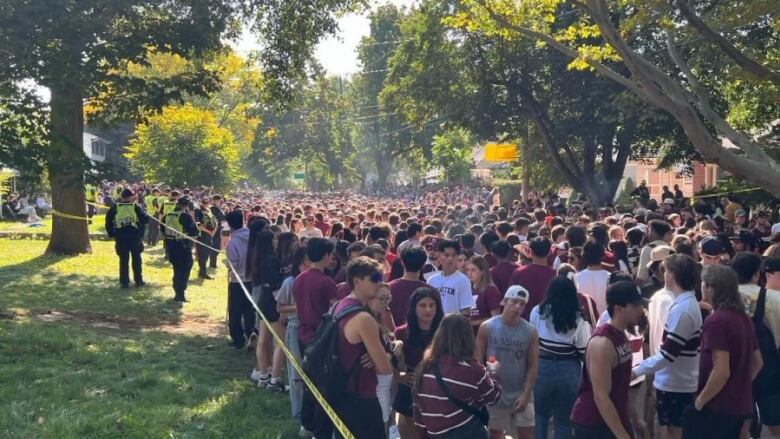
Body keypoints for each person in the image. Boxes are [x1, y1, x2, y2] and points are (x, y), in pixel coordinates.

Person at [683, 265, 763, 438]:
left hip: (716, 408)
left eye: (703, 283)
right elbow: (758, 362)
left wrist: (699, 401)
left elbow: (721, 370)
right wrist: (738, 384)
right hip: (739, 405)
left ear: (712, 288)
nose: (701, 286)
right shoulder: (743, 317)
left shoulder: (716, 321)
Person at [632, 254, 702, 439]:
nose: (664, 274)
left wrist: (637, 370)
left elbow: (668, 354)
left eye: (667, 270)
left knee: (673, 432)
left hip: (677, 384)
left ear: (673, 275)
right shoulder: (682, 304)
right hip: (676, 381)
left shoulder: (682, 309)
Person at [570, 281, 645, 439]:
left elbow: (622, 385)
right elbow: (601, 396)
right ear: (618, 308)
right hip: (594, 424)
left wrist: (636, 418)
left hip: (613, 420)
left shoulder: (621, 335)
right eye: (635, 306)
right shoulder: (602, 344)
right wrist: (622, 435)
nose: (640, 310)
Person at [332, 257, 394, 439]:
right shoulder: (364, 318)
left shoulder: (339, 305)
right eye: (374, 278)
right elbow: (384, 368)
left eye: (381, 277)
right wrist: (386, 356)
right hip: (362, 397)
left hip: (341, 392)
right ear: (357, 281)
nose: (379, 283)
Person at [413, 313, 502, 439]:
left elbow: (418, 408)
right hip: (468, 432)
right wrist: (494, 372)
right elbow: (493, 397)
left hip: (435, 433)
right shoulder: (472, 369)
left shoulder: (425, 367)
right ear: (468, 337)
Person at [530, 275, 592, 439]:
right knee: (564, 418)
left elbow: (533, 340)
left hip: (541, 366)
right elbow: (584, 351)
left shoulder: (537, 311)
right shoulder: (579, 319)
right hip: (569, 369)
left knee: (539, 414)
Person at [475, 285, 539, 439]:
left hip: (521, 391)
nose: (517, 307)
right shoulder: (488, 327)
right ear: (504, 301)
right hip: (495, 392)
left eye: (522, 304)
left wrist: (526, 393)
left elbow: (533, 364)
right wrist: (485, 388)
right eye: (514, 302)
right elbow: (477, 359)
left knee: (527, 433)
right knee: (496, 433)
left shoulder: (530, 331)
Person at [394, 287, 444, 439]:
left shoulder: (444, 332)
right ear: (414, 308)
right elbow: (389, 364)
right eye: (422, 305)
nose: (428, 310)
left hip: (438, 393)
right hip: (410, 392)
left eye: (432, 305)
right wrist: (399, 376)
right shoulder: (401, 332)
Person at [274, 246, 309, 434]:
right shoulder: (290, 282)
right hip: (295, 327)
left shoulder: (318, 281)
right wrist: (298, 308)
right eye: (306, 262)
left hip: (314, 329)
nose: (309, 265)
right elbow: (280, 307)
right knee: (295, 373)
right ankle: (298, 413)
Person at [248, 230, 284, 389]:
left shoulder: (260, 258)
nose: (277, 241)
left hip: (264, 299)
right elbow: (275, 284)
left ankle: (263, 375)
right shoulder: (271, 260)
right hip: (272, 301)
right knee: (279, 343)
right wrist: (282, 305)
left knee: (263, 340)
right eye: (274, 239)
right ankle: (274, 377)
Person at [293, 238, 339, 351]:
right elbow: (336, 309)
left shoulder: (299, 278)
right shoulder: (326, 281)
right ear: (325, 256)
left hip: (303, 334)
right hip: (322, 335)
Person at [105, 189, 149, 289]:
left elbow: (108, 221)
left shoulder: (115, 207)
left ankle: (124, 282)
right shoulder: (135, 207)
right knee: (136, 259)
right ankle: (138, 281)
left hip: (121, 236)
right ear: (129, 197)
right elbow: (145, 220)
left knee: (123, 260)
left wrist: (111, 234)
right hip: (134, 236)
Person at [225, 209, 253, 348]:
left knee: (235, 311)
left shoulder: (232, 242)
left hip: (238, 281)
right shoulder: (252, 236)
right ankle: (251, 333)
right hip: (252, 280)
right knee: (249, 310)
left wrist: (228, 265)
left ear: (230, 225)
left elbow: (233, 264)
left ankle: (238, 339)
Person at [510, 237, 557, 320]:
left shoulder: (519, 272)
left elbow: (511, 299)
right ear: (549, 252)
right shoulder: (556, 275)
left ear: (530, 252)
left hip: (523, 322)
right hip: (548, 322)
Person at [162, 196, 199, 302]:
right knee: (185, 268)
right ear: (186, 206)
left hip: (170, 245)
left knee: (176, 268)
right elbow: (194, 232)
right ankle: (180, 293)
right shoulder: (185, 216)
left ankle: (177, 290)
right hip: (183, 246)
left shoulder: (167, 215)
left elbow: (162, 229)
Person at [427, 239, 473, 315]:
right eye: (446, 255)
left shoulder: (463, 280)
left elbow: (466, 310)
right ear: (439, 255)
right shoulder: (431, 280)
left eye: (453, 255)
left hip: (454, 325)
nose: (450, 259)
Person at [388, 247, 429, 326]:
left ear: (402, 262)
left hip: (394, 335)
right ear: (423, 265)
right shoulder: (430, 291)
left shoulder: (388, 288)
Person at [575, 242, 611, 315]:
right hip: (605, 321)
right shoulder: (610, 277)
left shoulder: (576, 278)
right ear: (602, 256)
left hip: (585, 321)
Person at [467, 256, 502, 330]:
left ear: (482, 271)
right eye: (468, 270)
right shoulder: (468, 289)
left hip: (484, 333)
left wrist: (473, 323)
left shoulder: (490, 290)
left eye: (473, 270)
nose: (469, 273)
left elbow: (495, 318)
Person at [194, 198, 217, 279]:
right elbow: (198, 224)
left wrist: (214, 231)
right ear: (201, 203)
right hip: (202, 235)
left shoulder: (209, 210)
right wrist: (208, 231)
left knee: (207, 254)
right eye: (204, 202)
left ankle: (202, 272)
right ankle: (203, 272)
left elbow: (214, 221)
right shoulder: (198, 211)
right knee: (202, 254)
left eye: (207, 202)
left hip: (209, 235)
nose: (206, 204)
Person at [209, 194, 226, 269]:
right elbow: (220, 217)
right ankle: (212, 263)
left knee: (217, 246)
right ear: (217, 200)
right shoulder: (213, 208)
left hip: (218, 228)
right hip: (215, 228)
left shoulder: (217, 208)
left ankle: (213, 263)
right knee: (215, 246)